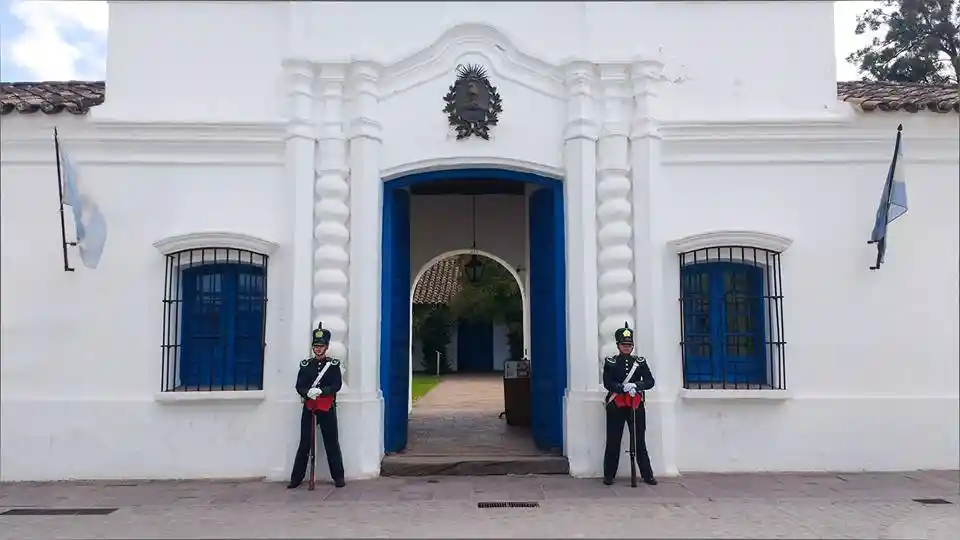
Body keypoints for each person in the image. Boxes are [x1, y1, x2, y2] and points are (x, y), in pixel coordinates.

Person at [287, 323, 346, 489]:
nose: (318, 349)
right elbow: (300, 385)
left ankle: (339, 477)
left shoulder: (333, 366)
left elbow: (336, 385)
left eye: (321, 346)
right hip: (310, 408)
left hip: (327, 407)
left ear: (326, 347)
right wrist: (307, 393)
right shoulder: (306, 365)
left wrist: (321, 391)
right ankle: (296, 478)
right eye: (316, 346)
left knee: (331, 443)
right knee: (305, 443)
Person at [601, 322, 658, 486]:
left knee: (639, 440)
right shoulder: (611, 362)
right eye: (624, 345)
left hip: (635, 404)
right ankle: (609, 475)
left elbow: (650, 381)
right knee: (613, 440)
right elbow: (607, 383)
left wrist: (637, 386)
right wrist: (621, 388)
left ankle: (647, 475)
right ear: (618, 345)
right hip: (616, 405)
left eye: (629, 345)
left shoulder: (640, 362)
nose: (627, 347)